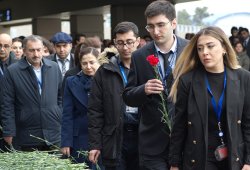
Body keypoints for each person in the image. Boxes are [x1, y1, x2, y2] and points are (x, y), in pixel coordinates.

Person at [169, 26, 250, 170]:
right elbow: (179, 124)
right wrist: (174, 163)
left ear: (224, 47)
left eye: (210, 46)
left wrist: (248, 161)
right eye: (200, 48)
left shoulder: (243, 77)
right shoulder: (188, 81)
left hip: (234, 157)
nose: (204, 52)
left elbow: (248, 123)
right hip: (199, 157)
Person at [122, 1, 188, 169]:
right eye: (150, 26)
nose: (155, 31)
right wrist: (143, 90)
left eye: (160, 25)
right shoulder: (139, 55)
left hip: (186, 140)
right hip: (152, 143)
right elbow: (128, 96)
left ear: (173, 23)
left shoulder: (190, 51)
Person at [88, 21, 140, 170]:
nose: (125, 48)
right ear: (115, 43)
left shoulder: (148, 67)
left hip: (143, 135)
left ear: (137, 41)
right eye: (120, 43)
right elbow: (95, 110)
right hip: (115, 135)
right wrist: (95, 144)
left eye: (129, 42)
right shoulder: (105, 71)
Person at [2, 35, 62, 151]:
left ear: (43, 49)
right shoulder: (13, 71)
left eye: (39, 50)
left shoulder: (53, 67)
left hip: (53, 133)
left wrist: (58, 113)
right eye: (31, 50)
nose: (36, 54)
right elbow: (7, 104)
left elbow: (61, 96)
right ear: (24, 51)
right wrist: (8, 131)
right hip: (27, 135)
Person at [61, 47, 101, 167]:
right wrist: (66, 142)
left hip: (102, 137)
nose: (88, 67)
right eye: (84, 63)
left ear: (99, 62)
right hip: (79, 138)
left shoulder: (107, 81)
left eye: (92, 62)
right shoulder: (71, 82)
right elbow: (67, 114)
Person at [0, 33, 17, 151]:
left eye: (6, 46)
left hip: (14, 118)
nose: (2, 49)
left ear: (11, 48)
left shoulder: (19, 66)